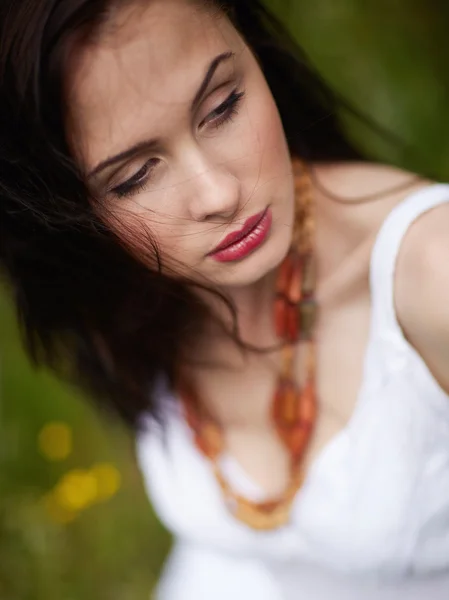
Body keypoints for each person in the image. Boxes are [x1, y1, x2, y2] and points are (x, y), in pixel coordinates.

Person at [1, 0, 449, 598]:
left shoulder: (431, 277)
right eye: (135, 176)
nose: (217, 192)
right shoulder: (132, 294)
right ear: (69, 211)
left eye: (223, 106)